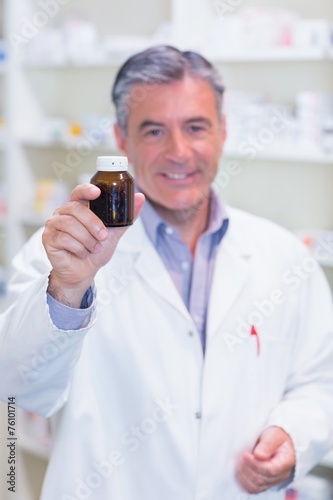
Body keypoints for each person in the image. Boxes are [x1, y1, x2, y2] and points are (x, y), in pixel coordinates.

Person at [1, 45, 333, 500]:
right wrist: (68, 287)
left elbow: (321, 382)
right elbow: (20, 386)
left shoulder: (285, 258)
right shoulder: (62, 253)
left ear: (223, 131)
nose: (179, 152)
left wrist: (295, 435)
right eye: (154, 130)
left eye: (195, 127)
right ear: (121, 140)